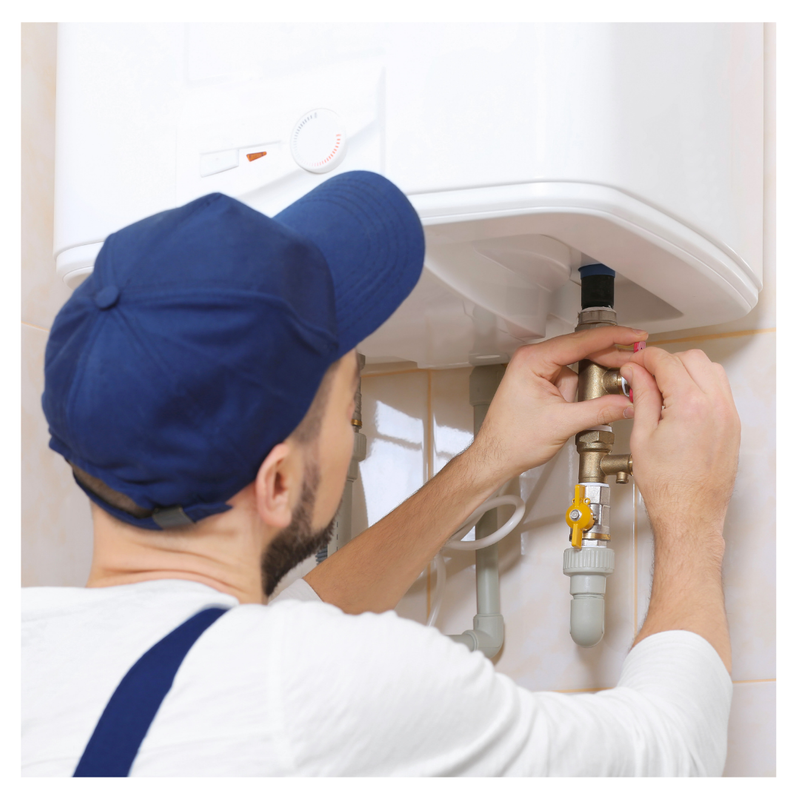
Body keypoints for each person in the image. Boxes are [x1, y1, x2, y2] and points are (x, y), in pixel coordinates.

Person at [22, 171, 740, 777]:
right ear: (276, 484)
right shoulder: (332, 693)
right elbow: (669, 755)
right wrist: (692, 515)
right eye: (350, 403)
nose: (355, 425)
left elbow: (268, 636)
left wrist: (487, 462)